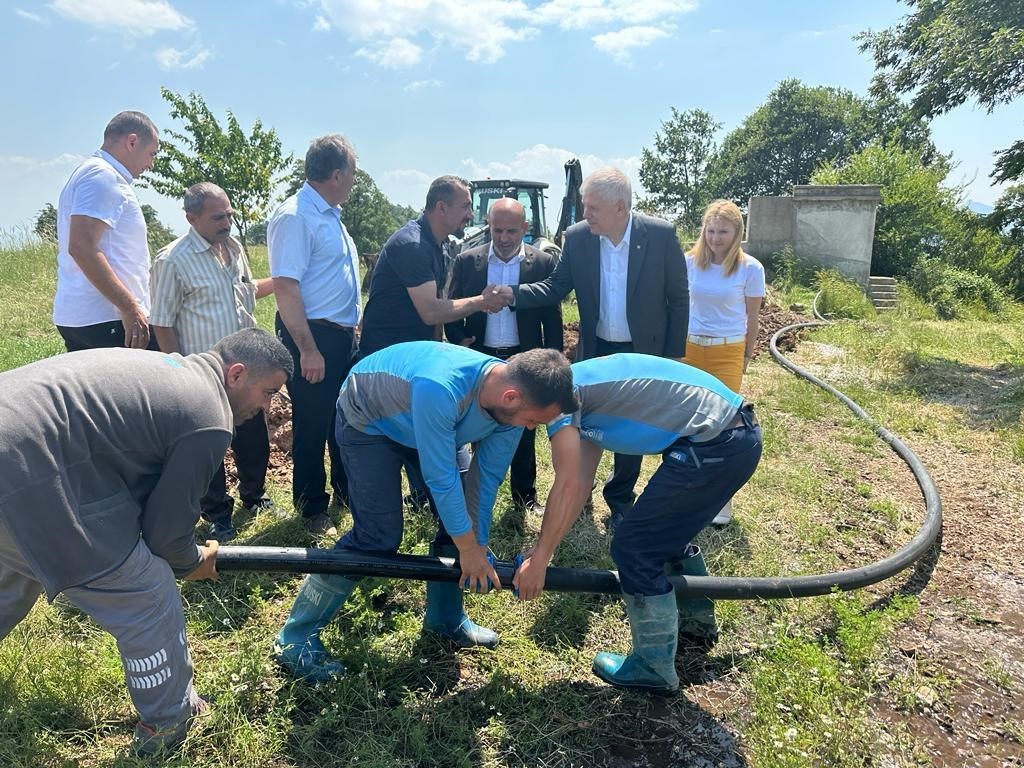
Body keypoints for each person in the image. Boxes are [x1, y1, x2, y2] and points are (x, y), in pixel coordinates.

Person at [0, 328, 293, 755]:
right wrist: (193, 560)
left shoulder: (169, 371)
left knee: (15, 567)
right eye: (268, 393)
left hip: (14, 444)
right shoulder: (209, 416)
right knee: (147, 592)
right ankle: (171, 719)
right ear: (236, 373)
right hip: (22, 471)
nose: (267, 409)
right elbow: (165, 537)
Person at [274, 341, 577, 682]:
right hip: (371, 419)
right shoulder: (442, 387)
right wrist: (467, 550)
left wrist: (475, 543)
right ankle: (296, 637)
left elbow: (486, 477)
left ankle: (446, 620)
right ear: (510, 397)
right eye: (534, 420)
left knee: (460, 526)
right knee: (378, 536)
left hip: (431, 426)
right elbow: (441, 478)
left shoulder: (511, 412)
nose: (531, 428)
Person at [513, 354, 762, 694]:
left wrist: (540, 560)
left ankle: (653, 668)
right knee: (661, 536)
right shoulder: (574, 392)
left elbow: (567, 483)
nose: (528, 426)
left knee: (634, 547)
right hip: (730, 437)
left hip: (717, 443)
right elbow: (580, 483)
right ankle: (695, 623)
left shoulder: (563, 404)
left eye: (527, 417)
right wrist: (544, 551)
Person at [497, 167, 689, 529]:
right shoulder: (579, 238)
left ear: (621, 207)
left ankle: (619, 499)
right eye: (584, 206)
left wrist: (673, 355)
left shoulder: (660, 236)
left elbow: (679, 298)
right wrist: (513, 295)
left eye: (592, 207)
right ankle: (579, 495)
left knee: (628, 425)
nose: (585, 214)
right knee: (585, 422)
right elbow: (555, 287)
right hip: (596, 348)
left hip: (640, 350)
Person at [150, 182, 278, 543]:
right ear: (192, 218)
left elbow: (247, 294)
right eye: (218, 216)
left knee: (253, 435)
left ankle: (254, 497)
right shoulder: (172, 260)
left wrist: (283, 282)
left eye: (230, 214)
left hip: (246, 370)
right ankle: (217, 513)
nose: (228, 222)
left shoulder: (235, 250)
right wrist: (177, 368)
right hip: (204, 372)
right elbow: (161, 320)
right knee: (209, 445)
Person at [268, 135, 363, 537]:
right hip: (313, 337)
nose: (355, 181)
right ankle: (310, 508)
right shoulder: (297, 216)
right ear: (337, 174)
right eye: (353, 173)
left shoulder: (329, 215)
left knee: (340, 420)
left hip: (338, 337)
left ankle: (344, 493)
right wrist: (307, 349)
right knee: (311, 423)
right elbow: (285, 287)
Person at [445, 198, 563, 517]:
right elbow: (452, 305)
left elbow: (552, 317)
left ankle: (524, 496)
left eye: (512, 230)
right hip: (481, 359)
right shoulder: (469, 262)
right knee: (480, 424)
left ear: (525, 228)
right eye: (497, 230)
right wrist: (459, 339)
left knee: (524, 428)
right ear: (489, 227)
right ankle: (479, 493)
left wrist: (553, 360)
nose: (505, 237)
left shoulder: (541, 264)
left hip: (523, 358)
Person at [358, 175, 507, 358]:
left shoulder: (440, 247)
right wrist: (482, 301)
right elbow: (430, 312)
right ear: (441, 207)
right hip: (386, 359)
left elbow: (437, 304)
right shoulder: (413, 245)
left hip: (412, 356)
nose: (470, 215)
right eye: (465, 206)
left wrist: (437, 351)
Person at [683, 199, 765, 525]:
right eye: (711, 230)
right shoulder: (689, 262)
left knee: (723, 424)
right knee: (688, 420)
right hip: (690, 348)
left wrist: (746, 355)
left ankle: (721, 499)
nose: (716, 238)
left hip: (726, 351)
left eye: (723, 232)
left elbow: (753, 319)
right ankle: (687, 486)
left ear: (737, 233)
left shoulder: (750, 269)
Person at [53, 110, 161, 352]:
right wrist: (130, 307)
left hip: (95, 316)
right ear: (132, 142)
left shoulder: (93, 173)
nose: (150, 165)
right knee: (137, 388)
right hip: (108, 318)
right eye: (151, 154)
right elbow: (81, 246)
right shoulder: (103, 176)